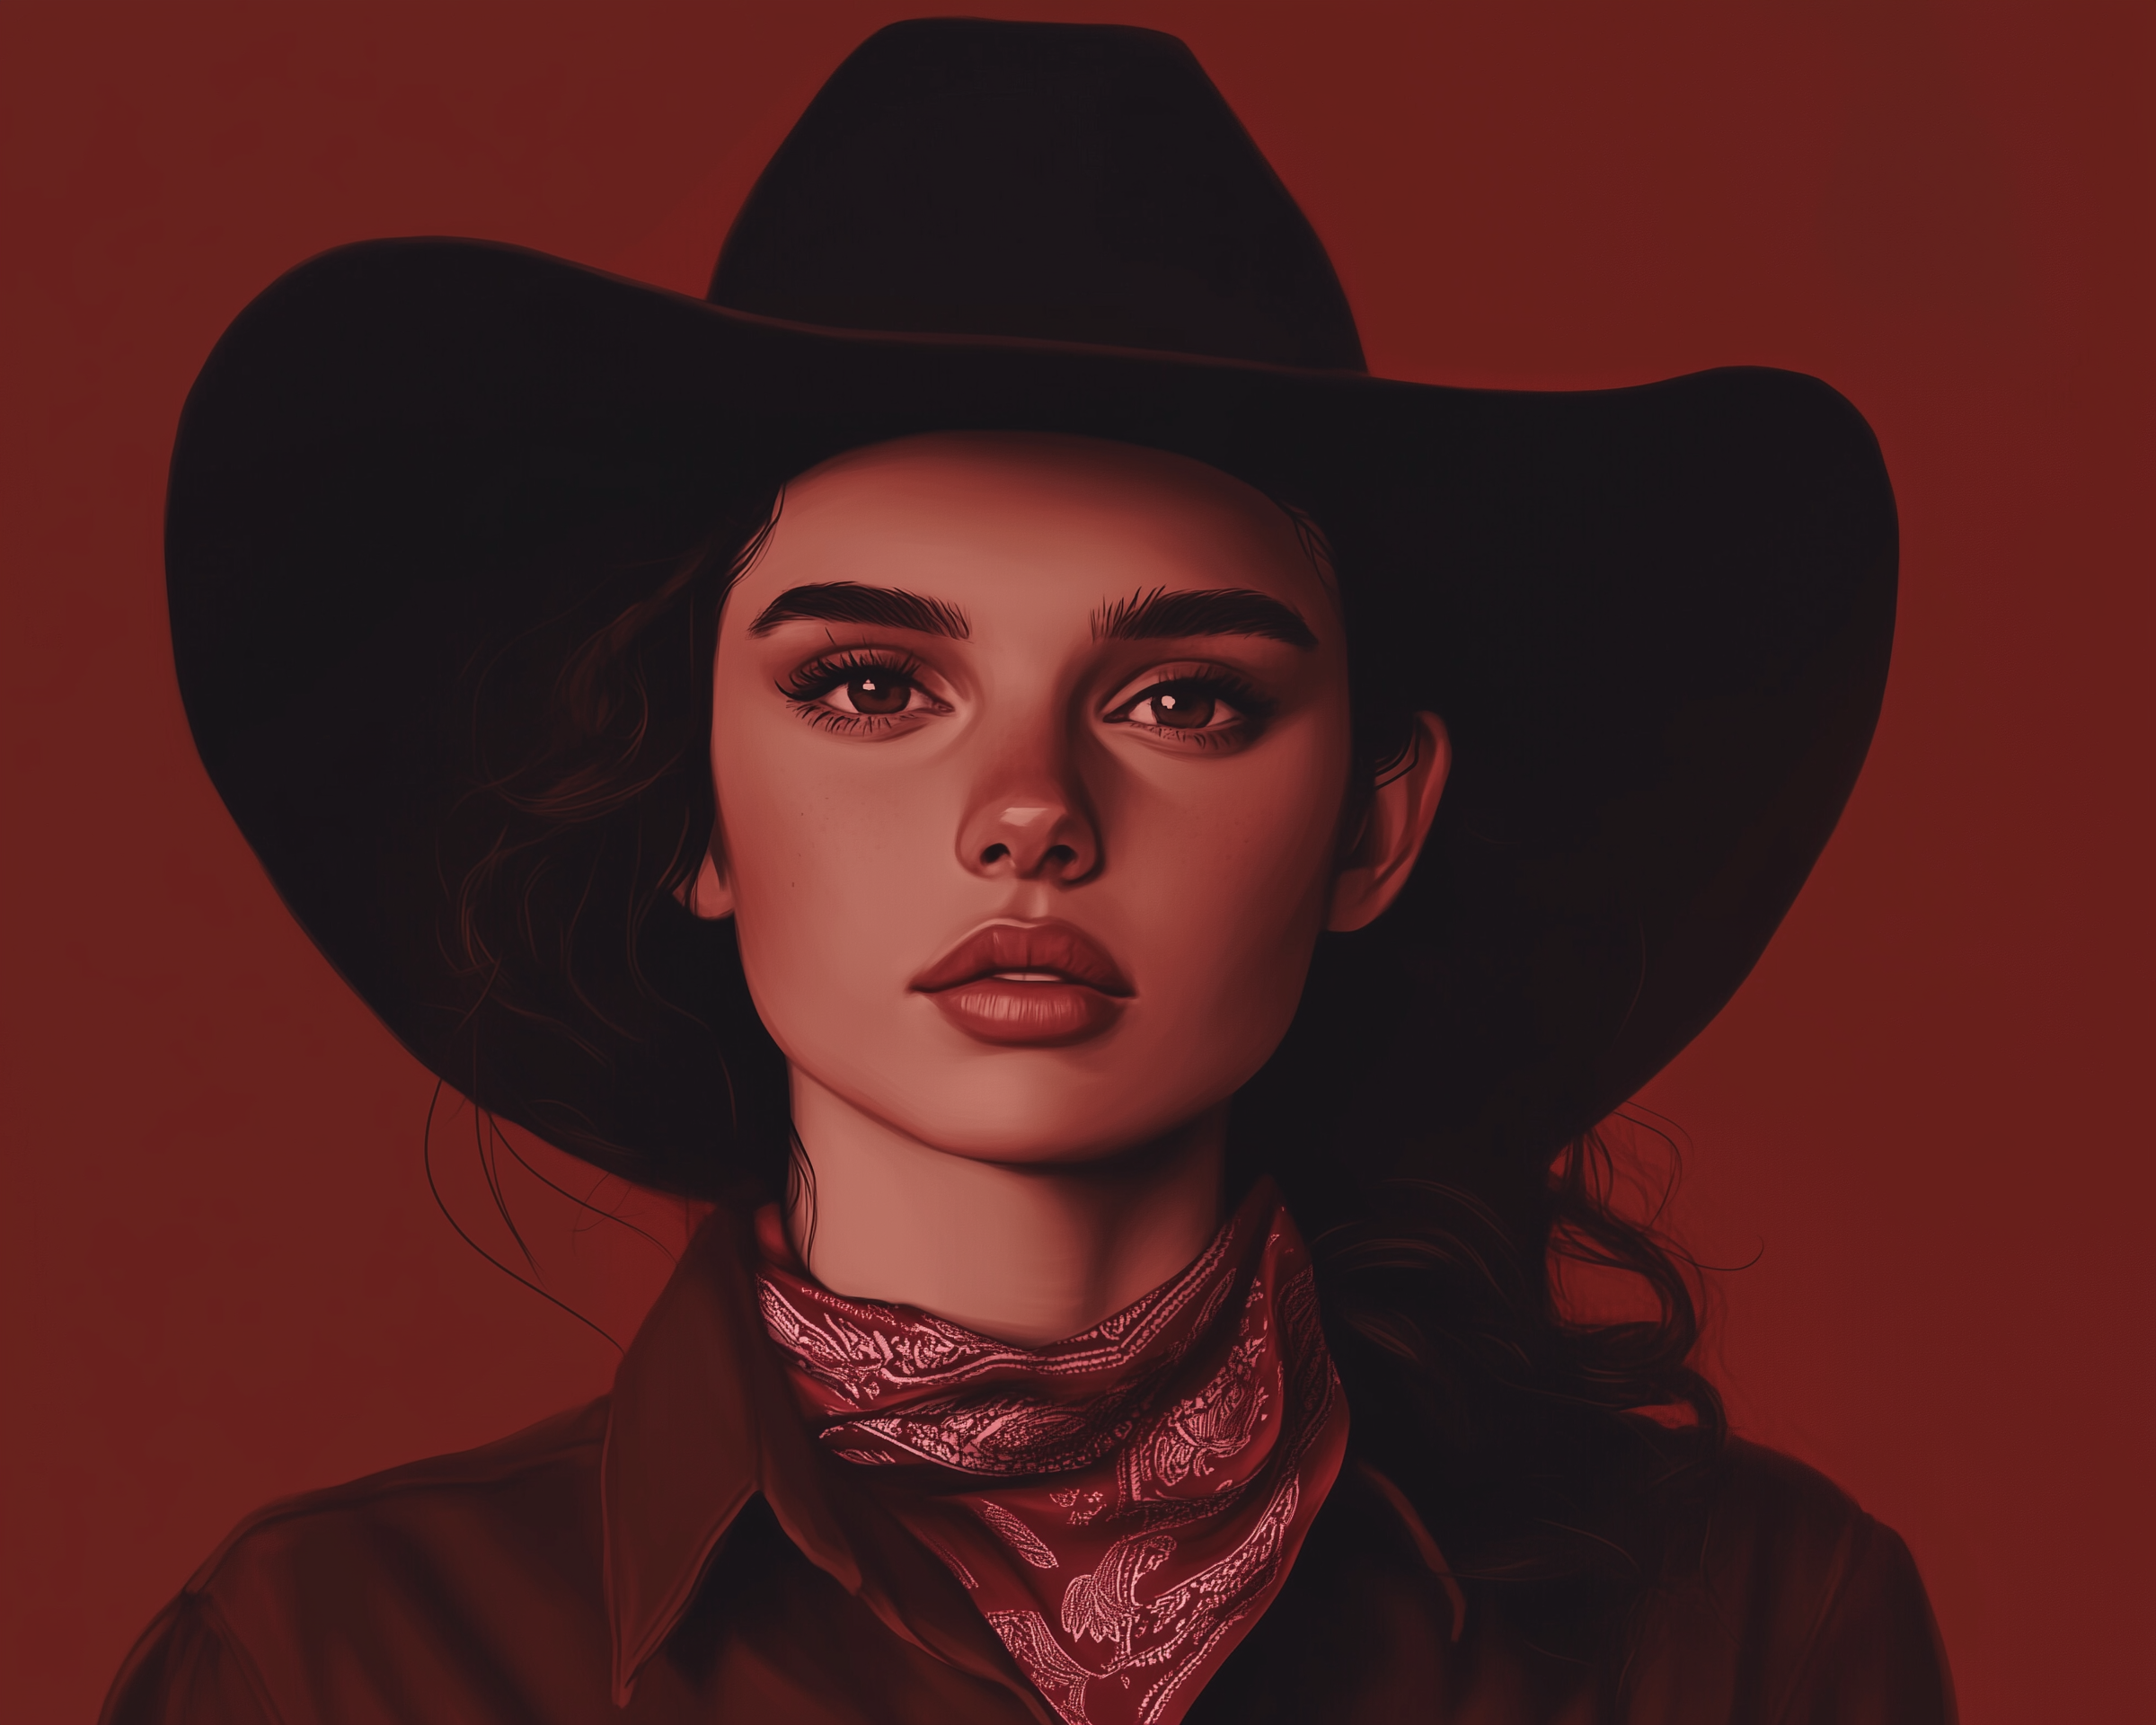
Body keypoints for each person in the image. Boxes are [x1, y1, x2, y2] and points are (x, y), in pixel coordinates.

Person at [105, 18, 1954, 1725]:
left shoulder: (1747, 1626)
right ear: (692, 812)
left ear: (1375, 824)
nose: (1028, 811)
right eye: (870, 685)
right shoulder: (338, 1659)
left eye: (1182, 699)